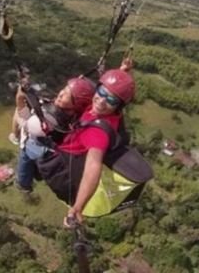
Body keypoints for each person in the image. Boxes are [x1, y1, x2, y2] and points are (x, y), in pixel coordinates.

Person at [36, 68, 136, 224]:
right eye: (101, 92)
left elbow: (92, 168)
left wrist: (78, 207)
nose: (101, 101)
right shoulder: (112, 113)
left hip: (61, 157)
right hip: (71, 139)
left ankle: (24, 181)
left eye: (110, 100)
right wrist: (123, 71)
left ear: (118, 106)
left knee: (30, 141)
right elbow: (115, 91)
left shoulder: (97, 134)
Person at [15, 76, 96, 192]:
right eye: (64, 89)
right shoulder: (76, 115)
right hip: (47, 147)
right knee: (31, 158)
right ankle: (33, 176)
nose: (61, 94)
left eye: (68, 95)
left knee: (25, 154)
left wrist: (20, 100)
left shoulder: (48, 122)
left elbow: (25, 121)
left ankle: (24, 184)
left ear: (76, 104)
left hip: (39, 147)